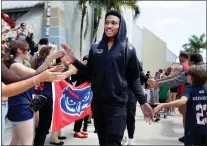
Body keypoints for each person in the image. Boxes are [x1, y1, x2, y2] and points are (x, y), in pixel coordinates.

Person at [61, 10, 154, 145]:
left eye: (113, 23)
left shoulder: (129, 49)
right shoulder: (95, 47)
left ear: (120, 26)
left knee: (113, 142)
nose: (109, 26)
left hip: (118, 105)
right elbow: (89, 72)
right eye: (106, 22)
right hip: (98, 105)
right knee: (103, 142)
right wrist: (74, 61)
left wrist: (143, 102)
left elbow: (134, 79)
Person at [1, 67, 66, 145]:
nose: (29, 53)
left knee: (17, 139)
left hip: (20, 104)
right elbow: (33, 74)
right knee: (27, 141)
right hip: (22, 106)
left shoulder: (18, 65)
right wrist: (40, 77)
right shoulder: (15, 65)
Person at [33, 45, 77, 146]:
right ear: (46, 56)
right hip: (44, 98)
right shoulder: (42, 67)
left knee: (44, 125)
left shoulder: (46, 66)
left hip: (46, 97)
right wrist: (71, 71)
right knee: (44, 125)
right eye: (54, 54)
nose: (55, 57)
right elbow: (57, 77)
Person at [154, 65, 207, 146]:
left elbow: (182, 101)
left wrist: (164, 104)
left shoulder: (190, 89)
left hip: (193, 128)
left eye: (187, 74)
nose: (185, 76)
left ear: (192, 77)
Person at [71, 55, 91, 139]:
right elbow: (90, 79)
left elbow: (73, 79)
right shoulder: (85, 70)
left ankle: (78, 130)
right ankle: (77, 131)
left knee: (82, 112)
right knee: (80, 112)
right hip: (81, 93)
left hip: (81, 92)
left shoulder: (80, 70)